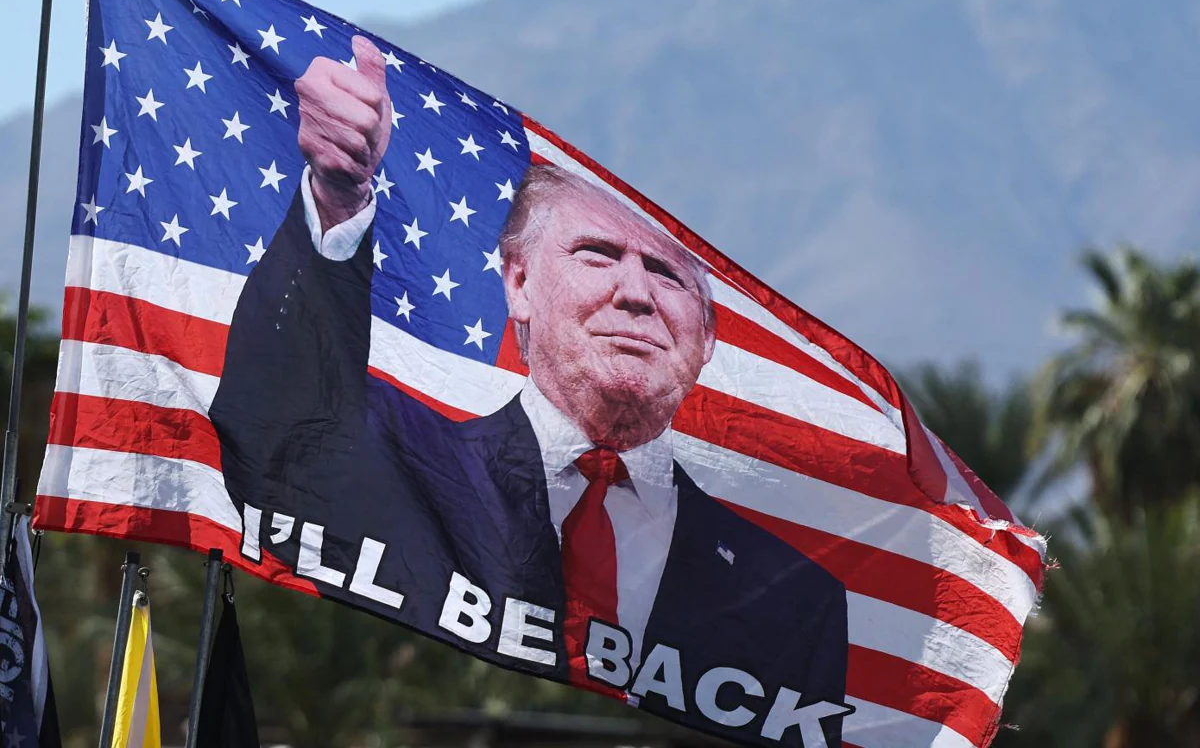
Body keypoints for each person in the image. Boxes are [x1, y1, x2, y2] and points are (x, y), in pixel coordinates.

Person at [209, 37, 848, 746]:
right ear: (517, 284)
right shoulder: (400, 457)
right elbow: (274, 421)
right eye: (598, 254)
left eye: (668, 276)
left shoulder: (795, 595)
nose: (634, 294)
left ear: (706, 337)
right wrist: (337, 197)